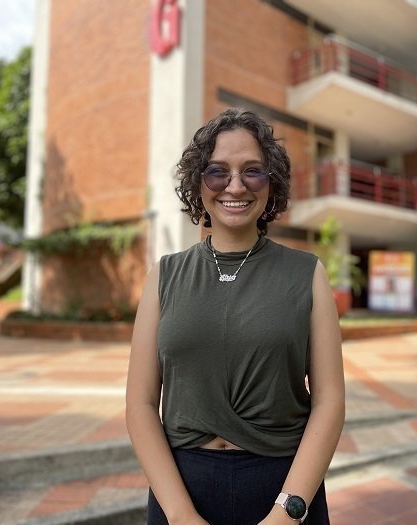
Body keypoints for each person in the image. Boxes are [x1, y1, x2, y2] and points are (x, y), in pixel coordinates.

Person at [126, 108, 345, 524]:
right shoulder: (165, 275)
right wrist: (179, 515)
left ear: (271, 183)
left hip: (282, 487)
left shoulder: (307, 273)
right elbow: (139, 403)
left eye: (253, 171)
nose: (235, 186)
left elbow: (330, 401)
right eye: (217, 172)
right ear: (199, 182)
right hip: (183, 490)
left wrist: (289, 512)